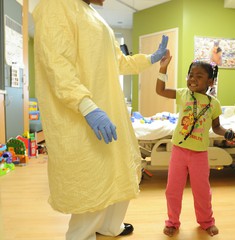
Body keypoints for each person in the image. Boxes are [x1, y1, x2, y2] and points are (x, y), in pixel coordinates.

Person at [32, 0, 168, 239]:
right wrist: (87, 106)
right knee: (92, 178)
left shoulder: (93, 15)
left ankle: (110, 226)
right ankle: (80, 235)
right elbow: (57, 65)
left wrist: (150, 58)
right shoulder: (56, 5)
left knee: (120, 171)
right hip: (80, 114)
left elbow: (117, 62)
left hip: (109, 109)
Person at [156, 51, 235, 237]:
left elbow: (217, 127)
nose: (193, 79)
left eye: (199, 76)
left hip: (200, 154)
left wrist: (228, 133)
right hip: (179, 151)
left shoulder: (213, 103)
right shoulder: (184, 94)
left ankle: (206, 221)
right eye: (191, 75)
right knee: (173, 190)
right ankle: (172, 222)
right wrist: (163, 68)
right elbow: (160, 90)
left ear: (210, 82)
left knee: (202, 191)